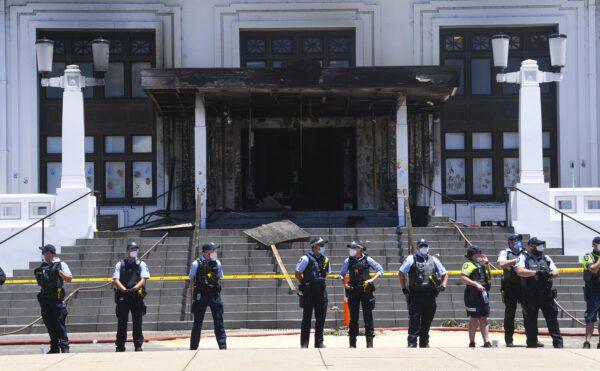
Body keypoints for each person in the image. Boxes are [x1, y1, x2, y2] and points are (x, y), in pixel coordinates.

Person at [399, 238, 448, 348]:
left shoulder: (433, 259)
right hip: (415, 294)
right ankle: (412, 343)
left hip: (430, 295)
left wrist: (443, 285)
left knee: (427, 320)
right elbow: (401, 272)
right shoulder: (412, 258)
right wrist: (403, 288)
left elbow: (445, 273)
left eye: (425, 245)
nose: (424, 248)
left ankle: (424, 343)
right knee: (414, 320)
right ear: (417, 247)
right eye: (421, 246)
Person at [516, 237, 563, 348]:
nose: (540, 247)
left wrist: (549, 274)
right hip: (530, 294)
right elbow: (520, 271)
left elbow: (556, 272)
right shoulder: (523, 257)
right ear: (530, 246)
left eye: (541, 245)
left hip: (546, 294)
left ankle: (558, 343)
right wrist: (535, 273)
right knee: (530, 321)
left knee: (552, 319)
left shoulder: (545, 258)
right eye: (538, 245)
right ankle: (532, 343)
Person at [339, 240, 384, 348]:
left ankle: (369, 343)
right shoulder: (348, 260)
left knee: (368, 317)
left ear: (359, 249)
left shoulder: (368, 259)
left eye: (353, 248)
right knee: (353, 318)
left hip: (366, 291)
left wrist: (371, 279)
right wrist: (344, 283)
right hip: (353, 290)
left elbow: (380, 270)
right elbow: (342, 274)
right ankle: (352, 343)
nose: (351, 250)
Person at [34, 244, 72, 354]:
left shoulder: (61, 264)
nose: (43, 254)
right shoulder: (43, 265)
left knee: (59, 324)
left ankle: (64, 347)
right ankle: (54, 347)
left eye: (44, 252)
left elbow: (69, 278)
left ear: (49, 253)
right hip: (45, 300)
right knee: (49, 324)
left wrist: (58, 271)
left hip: (57, 299)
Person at [112, 242, 150, 352]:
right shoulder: (120, 264)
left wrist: (134, 289)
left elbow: (144, 279)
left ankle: (138, 345)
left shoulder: (142, 264)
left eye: (135, 249)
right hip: (123, 296)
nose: (134, 251)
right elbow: (115, 280)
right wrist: (124, 290)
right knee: (122, 323)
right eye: (132, 249)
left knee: (137, 322)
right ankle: (120, 346)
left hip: (136, 296)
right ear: (127, 251)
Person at [189, 242, 227, 350]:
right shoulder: (196, 264)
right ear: (206, 252)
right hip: (201, 294)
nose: (214, 253)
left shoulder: (217, 263)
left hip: (214, 294)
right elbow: (191, 280)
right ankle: (193, 347)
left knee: (219, 320)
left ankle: (222, 346)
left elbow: (220, 278)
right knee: (198, 322)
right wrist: (196, 293)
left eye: (214, 251)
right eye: (213, 251)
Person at [294, 236, 331, 348]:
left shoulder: (325, 259)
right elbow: (297, 273)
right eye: (321, 245)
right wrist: (305, 283)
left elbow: (327, 274)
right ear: (314, 246)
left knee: (321, 318)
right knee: (307, 318)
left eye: (323, 245)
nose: (323, 247)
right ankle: (304, 343)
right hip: (309, 292)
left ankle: (319, 342)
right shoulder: (305, 258)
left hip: (321, 292)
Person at [460, 245, 492, 348]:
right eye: (479, 252)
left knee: (484, 318)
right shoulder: (468, 264)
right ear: (474, 254)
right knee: (474, 318)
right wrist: (475, 284)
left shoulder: (480, 264)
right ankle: (472, 342)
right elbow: (463, 277)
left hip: (483, 294)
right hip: (473, 295)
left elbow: (489, 275)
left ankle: (487, 342)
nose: (481, 254)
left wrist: (487, 264)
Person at [497, 234, 525, 347]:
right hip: (510, 286)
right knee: (510, 313)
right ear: (510, 242)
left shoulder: (525, 253)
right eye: (515, 240)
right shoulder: (505, 252)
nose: (518, 242)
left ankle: (532, 338)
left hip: (524, 285)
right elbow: (501, 264)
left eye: (519, 240)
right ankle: (509, 340)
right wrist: (515, 260)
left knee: (529, 312)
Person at [582, 236, 600, 349]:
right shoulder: (588, 256)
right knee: (590, 317)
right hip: (593, 290)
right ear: (594, 245)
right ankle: (587, 342)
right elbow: (593, 269)